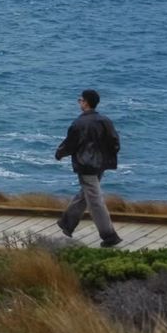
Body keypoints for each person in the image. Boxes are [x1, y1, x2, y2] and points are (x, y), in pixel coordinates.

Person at [55, 89, 122, 247]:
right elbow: (115, 143)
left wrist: (59, 153)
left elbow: (70, 145)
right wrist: (106, 157)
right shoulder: (105, 120)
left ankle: (109, 235)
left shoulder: (79, 123)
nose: (79, 102)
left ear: (85, 102)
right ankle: (67, 223)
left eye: (80, 100)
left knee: (95, 201)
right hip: (100, 165)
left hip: (86, 166)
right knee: (87, 194)